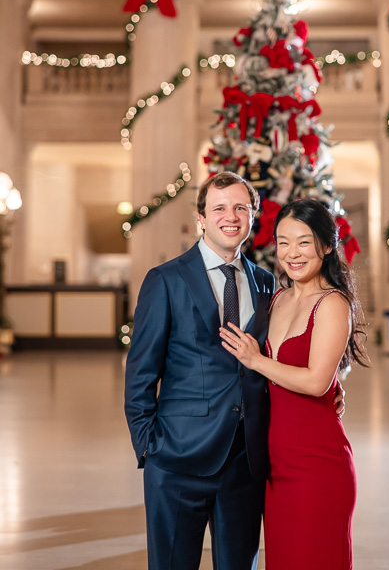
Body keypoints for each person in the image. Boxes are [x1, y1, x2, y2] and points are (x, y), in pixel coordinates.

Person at [124, 172, 274, 570]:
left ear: (252, 217)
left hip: (244, 462)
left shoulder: (266, 283)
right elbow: (140, 374)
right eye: (219, 208)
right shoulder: (166, 280)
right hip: (176, 460)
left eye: (241, 207)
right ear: (202, 218)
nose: (231, 216)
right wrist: (150, 448)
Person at [221, 198, 367, 570]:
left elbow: (317, 381)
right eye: (283, 242)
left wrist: (258, 360)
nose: (292, 253)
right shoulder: (277, 298)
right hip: (274, 465)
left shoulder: (333, 303)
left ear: (328, 244)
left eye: (304, 242)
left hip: (317, 464)